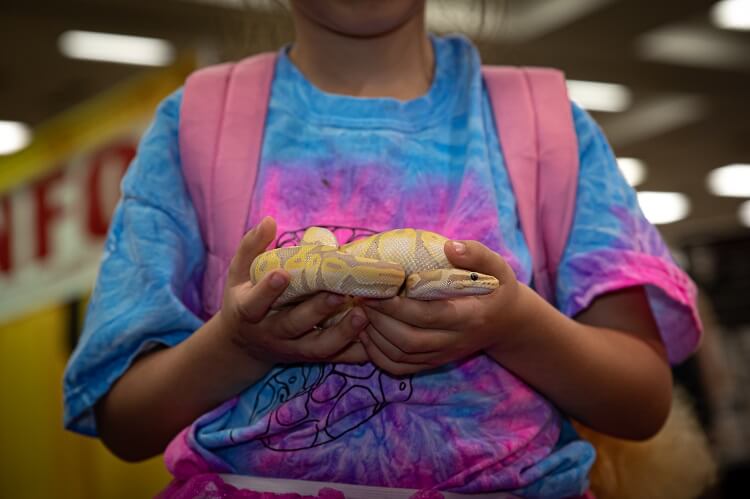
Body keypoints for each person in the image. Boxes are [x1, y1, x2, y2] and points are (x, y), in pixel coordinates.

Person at [63, 1, 702, 497]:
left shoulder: (545, 123)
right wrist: (238, 344)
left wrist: (515, 325)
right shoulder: (194, 124)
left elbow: (642, 398)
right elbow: (124, 421)